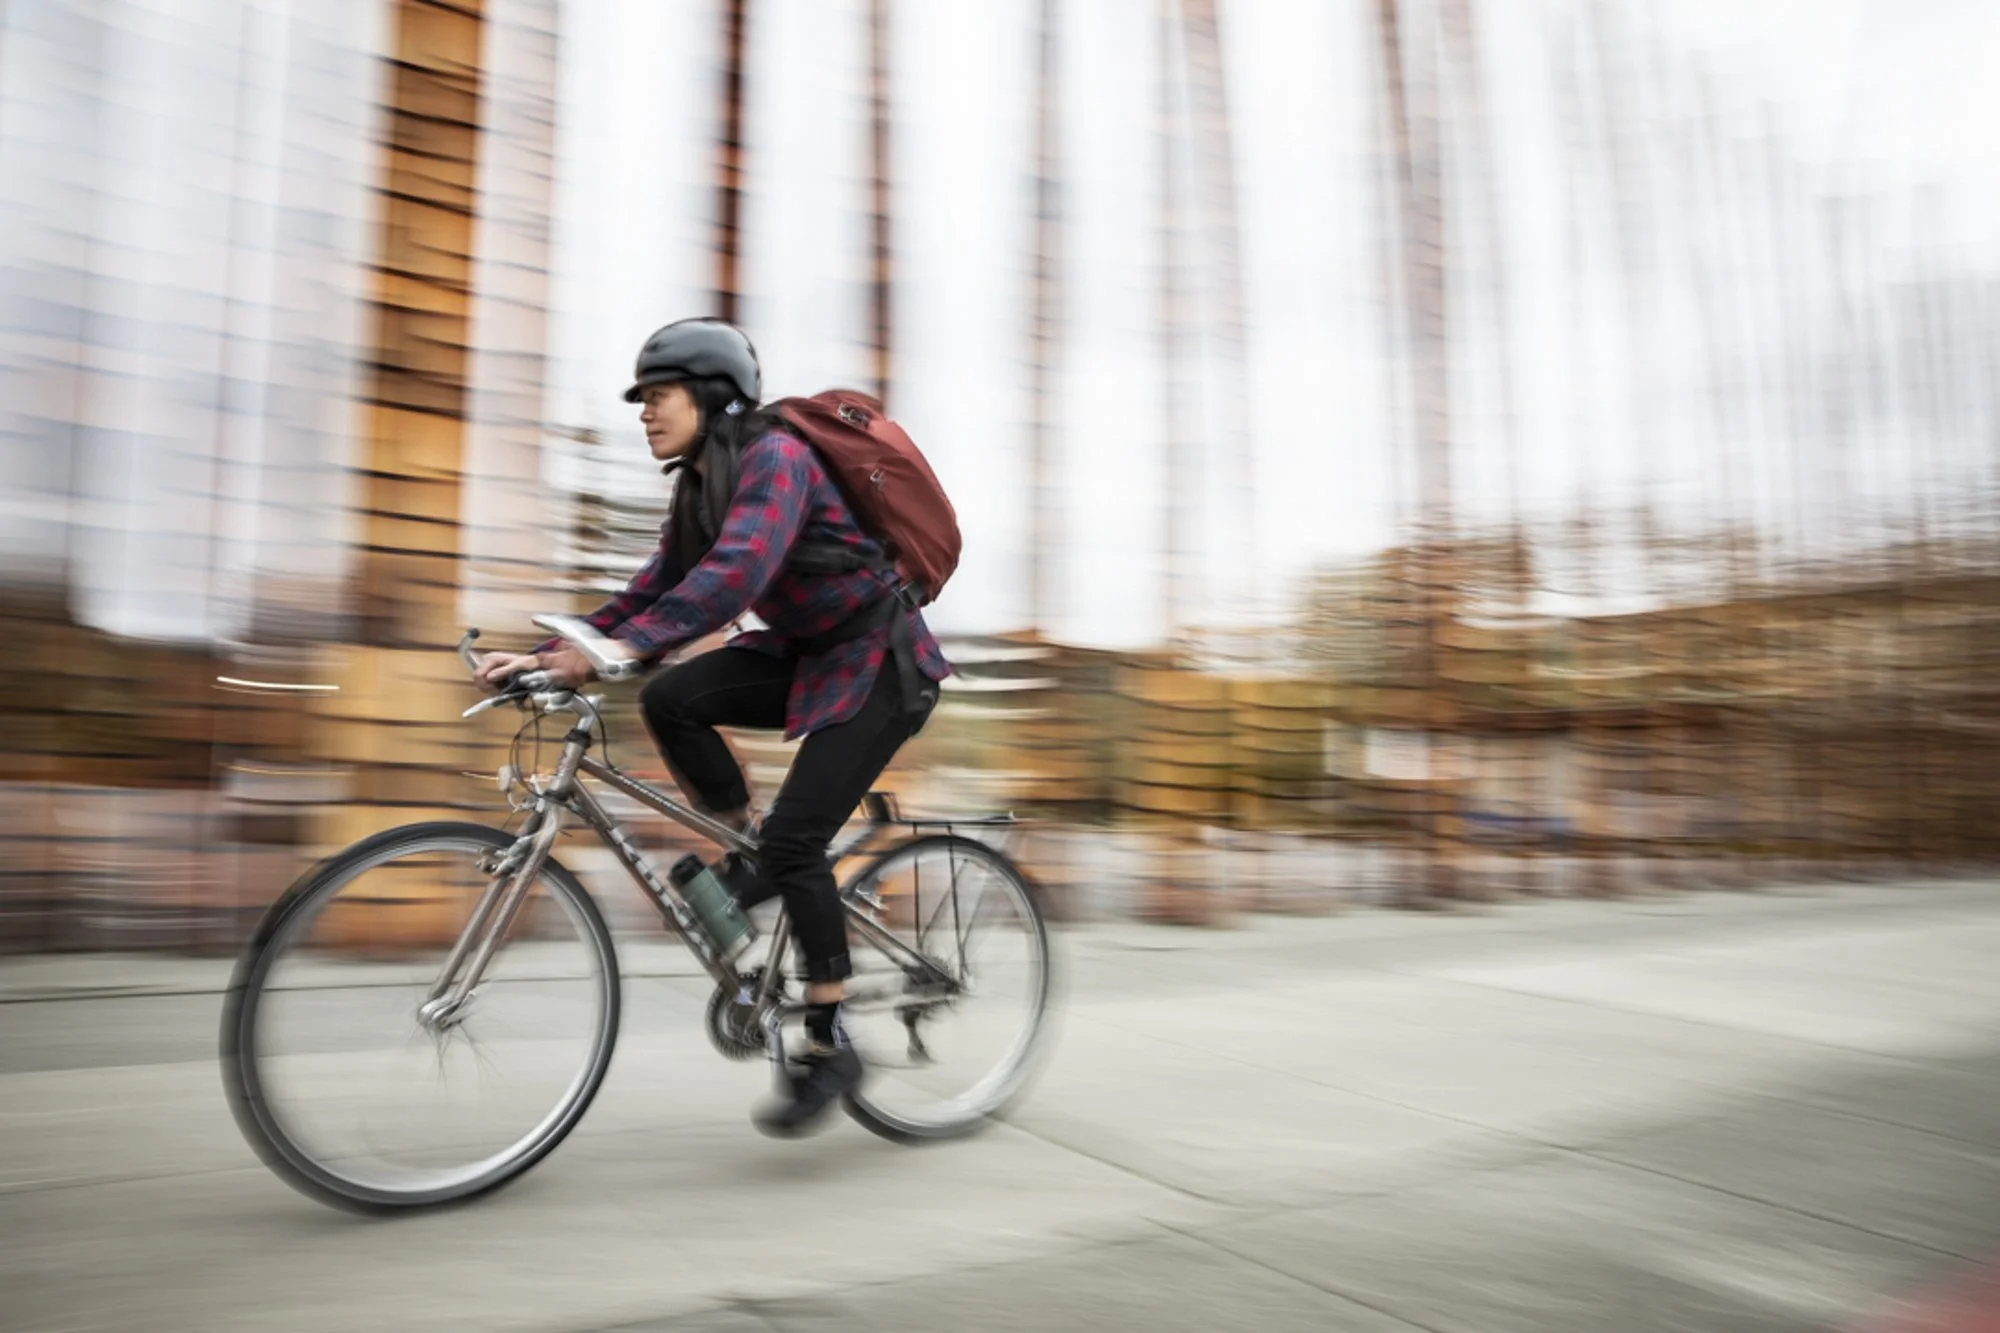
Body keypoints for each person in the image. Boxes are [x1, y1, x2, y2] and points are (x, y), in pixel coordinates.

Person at [474, 317, 949, 1136]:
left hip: (879, 665)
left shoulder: (778, 457)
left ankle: (828, 1041)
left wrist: (613, 652)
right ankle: (748, 851)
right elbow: (651, 589)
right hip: (809, 654)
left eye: (657, 396)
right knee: (672, 697)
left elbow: (735, 579)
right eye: (641, 401)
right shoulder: (701, 485)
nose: (645, 413)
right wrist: (553, 652)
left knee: (799, 845)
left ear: (710, 394)